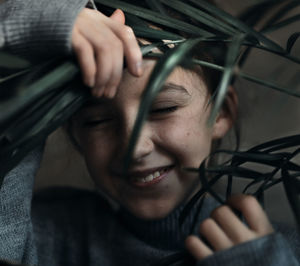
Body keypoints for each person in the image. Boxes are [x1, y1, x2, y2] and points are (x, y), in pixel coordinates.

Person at [0, 0, 299, 265]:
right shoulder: (46, 237)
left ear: (221, 111)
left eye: (162, 108)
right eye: (97, 121)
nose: (136, 147)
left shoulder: (285, 250)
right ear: (74, 131)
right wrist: (31, 25)